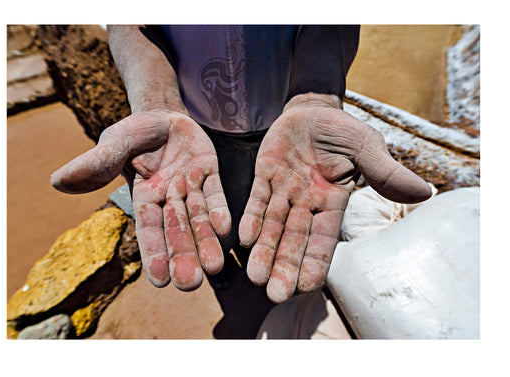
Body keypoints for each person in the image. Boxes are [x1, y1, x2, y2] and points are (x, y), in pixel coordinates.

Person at [50, 25, 432, 332]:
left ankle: (248, 258)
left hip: (291, 128)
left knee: (262, 219)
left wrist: (316, 99)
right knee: (211, 217)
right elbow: (132, 23)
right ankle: (222, 272)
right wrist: (157, 104)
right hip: (192, 130)